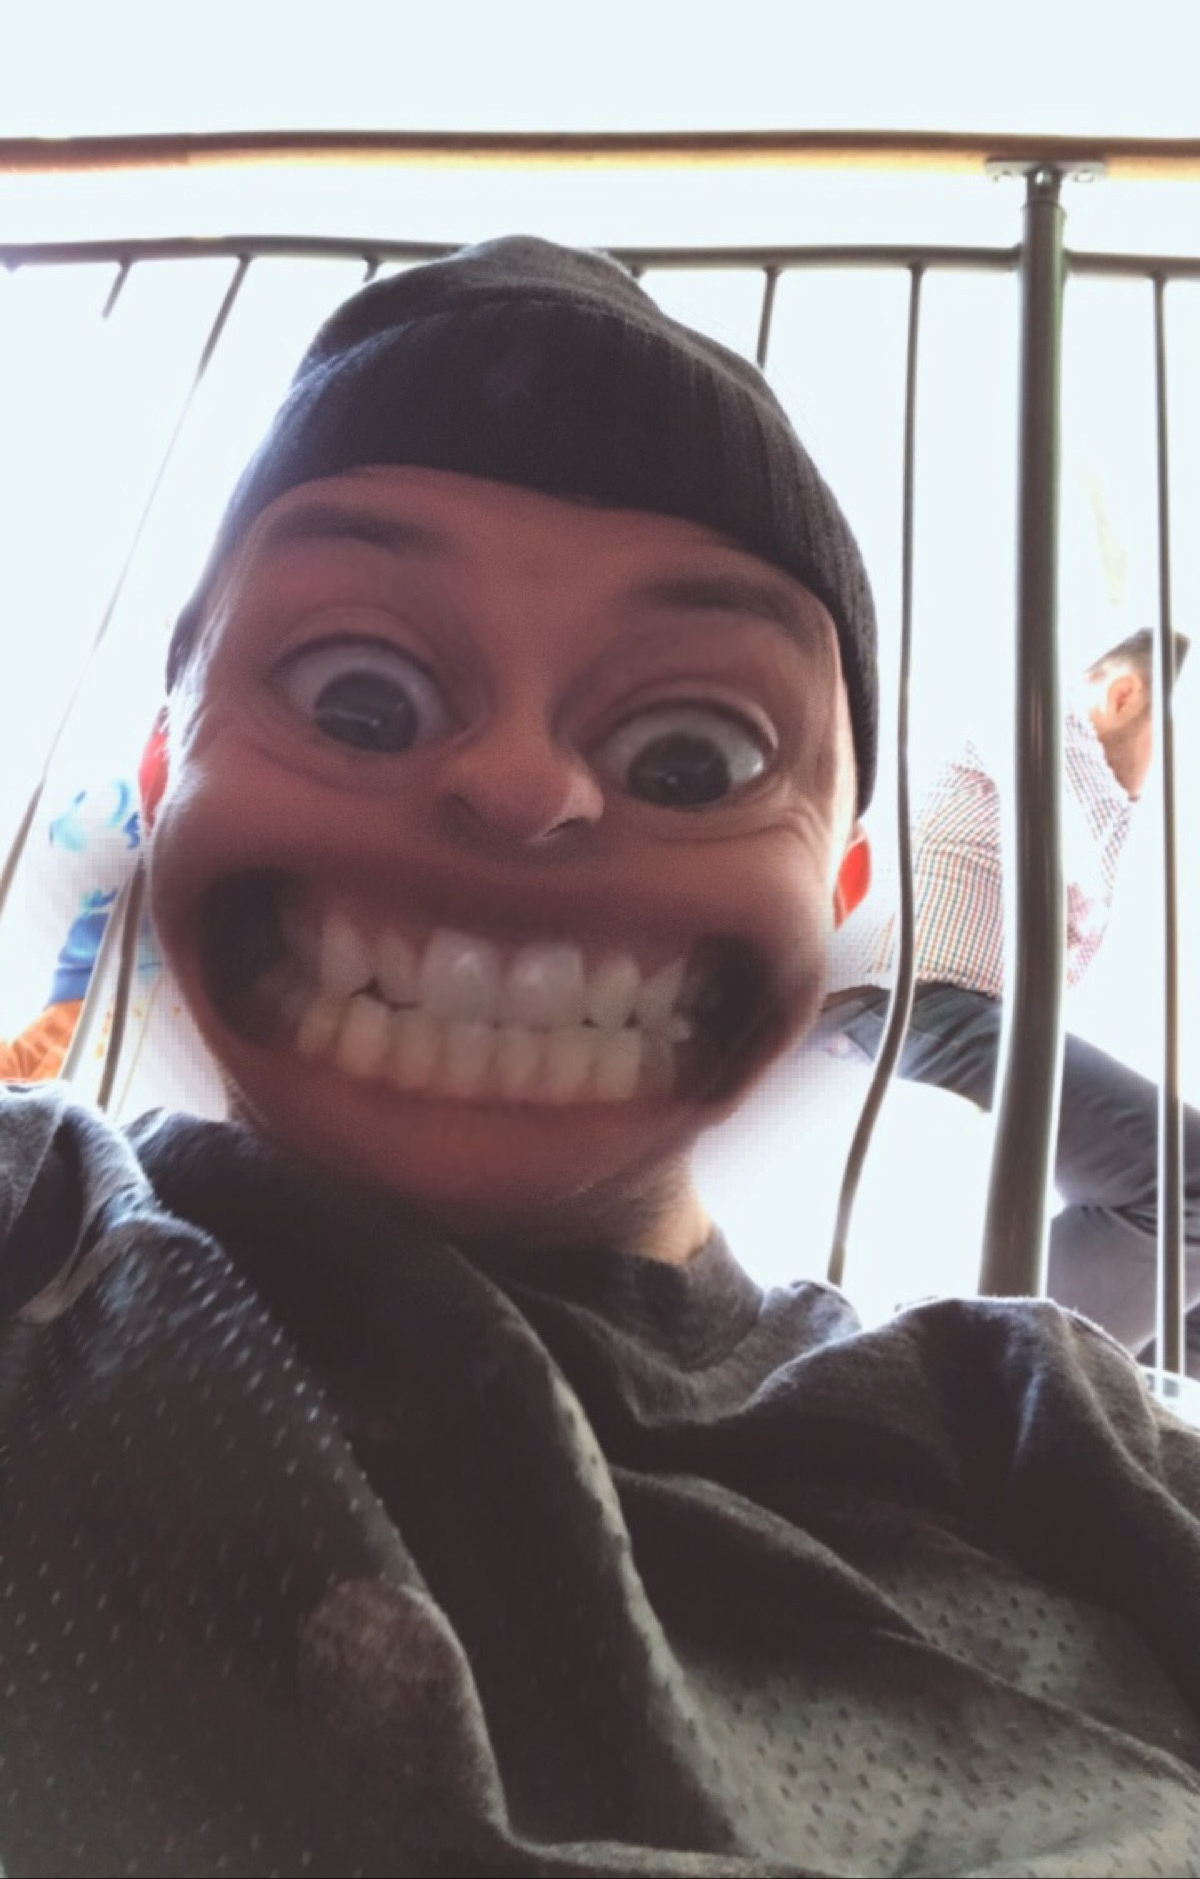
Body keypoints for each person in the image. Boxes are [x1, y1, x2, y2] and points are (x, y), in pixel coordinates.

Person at [1, 238, 1198, 1879]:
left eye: (694, 753)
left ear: (840, 882)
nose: (519, 787)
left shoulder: (1051, 1448)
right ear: (163, 772)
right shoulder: (34, 1230)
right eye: (357, 697)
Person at [822, 628, 1200, 1373]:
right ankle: (980, 1385)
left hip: (948, 1015)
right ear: (1124, 694)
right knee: (1188, 1181)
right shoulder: (1045, 725)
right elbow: (1079, 858)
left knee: (1182, 1321)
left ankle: (1077, 1399)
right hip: (904, 1003)